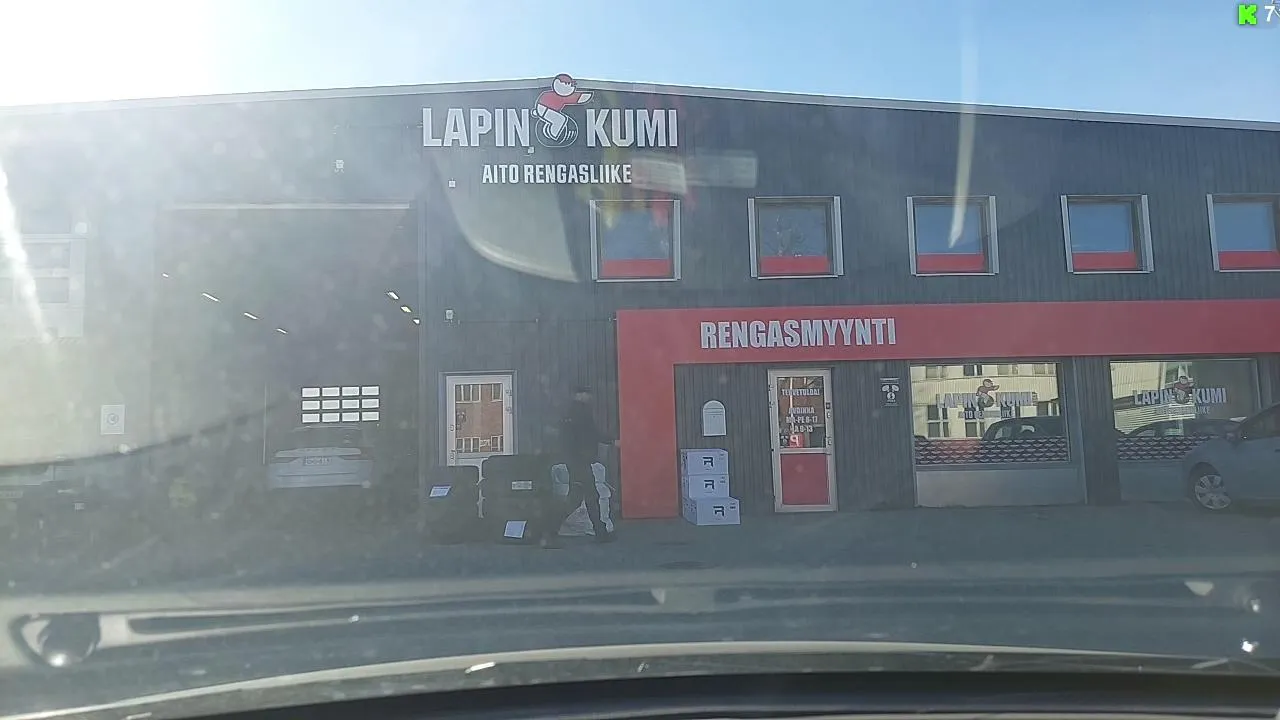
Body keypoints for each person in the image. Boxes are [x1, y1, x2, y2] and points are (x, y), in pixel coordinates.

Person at [541, 384, 616, 549]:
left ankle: (599, 532)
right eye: (587, 394)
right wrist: (611, 440)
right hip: (580, 461)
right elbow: (592, 433)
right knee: (584, 498)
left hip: (575, 460)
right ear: (580, 395)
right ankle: (549, 533)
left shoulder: (570, 412)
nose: (590, 397)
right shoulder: (582, 412)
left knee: (583, 498)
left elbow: (567, 436)